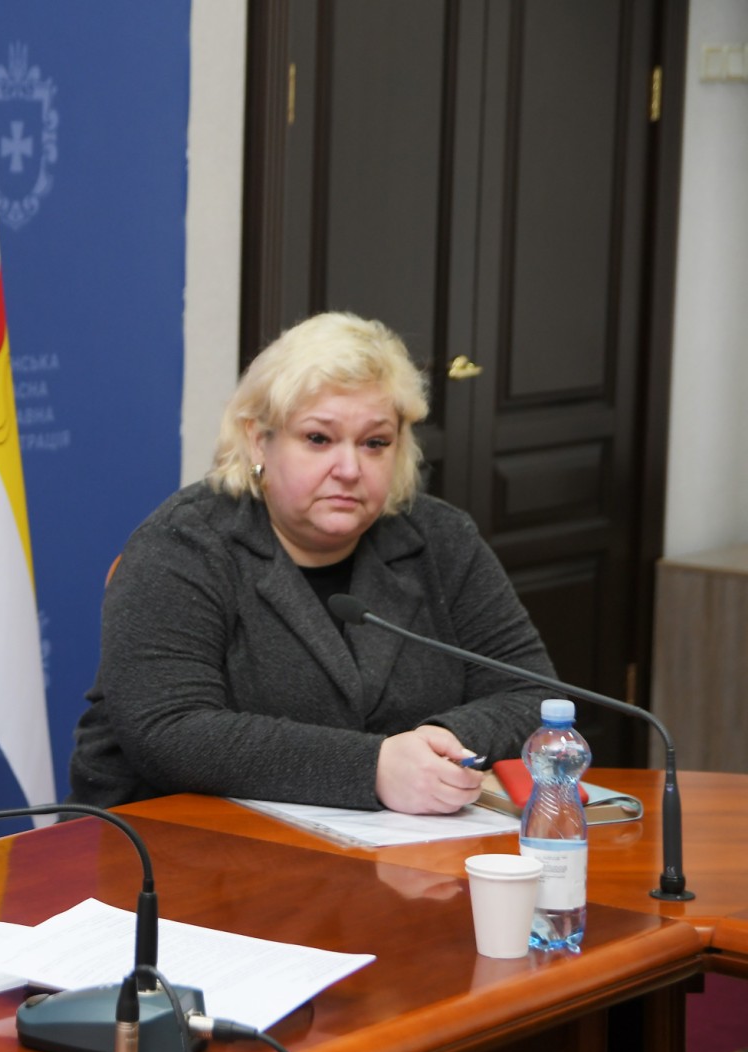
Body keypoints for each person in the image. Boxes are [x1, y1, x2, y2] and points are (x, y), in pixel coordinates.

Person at [69, 311, 556, 815]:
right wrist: (372, 767)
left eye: (375, 443)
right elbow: (168, 730)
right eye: (319, 439)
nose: (349, 469)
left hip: (394, 844)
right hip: (175, 839)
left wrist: (435, 746)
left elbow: (535, 696)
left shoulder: (439, 538)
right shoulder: (182, 544)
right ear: (258, 440)